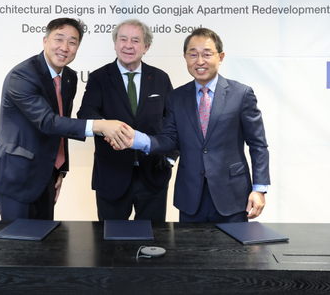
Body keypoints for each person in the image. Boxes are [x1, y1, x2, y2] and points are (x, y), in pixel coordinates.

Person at [113, 27, 270, 223]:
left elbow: (258, 144)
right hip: (190, 196)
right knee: (188, 245)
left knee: (233, 245)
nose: (200, 61)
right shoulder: (176, 97)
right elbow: (170, 140)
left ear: (220, 57)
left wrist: (259, 189)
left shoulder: (241, 94)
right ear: (185, 58)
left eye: (207, 54)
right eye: (193, 55)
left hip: (232, 195)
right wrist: (137, 140)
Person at [0, 17, 133, 221]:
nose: (64, 47)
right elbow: (48, 122)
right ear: (45, 41)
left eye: (72, 42)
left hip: (48, 174)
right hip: (17, 176)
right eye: (59, 39)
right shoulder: (22, 75)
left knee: (46, 238)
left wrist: (60, 169)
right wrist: (100, 125)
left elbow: (61, 126)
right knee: (17, 240)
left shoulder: (69, 77)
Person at [77, 19, 177, 221]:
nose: (128, 45)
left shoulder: (160, 78)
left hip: (153, 175)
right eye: (123, 39)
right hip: (112, 175)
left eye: (135, 40)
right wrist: (105, 126)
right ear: (115, 44)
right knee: (111, 238)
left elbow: (174, 121)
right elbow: (85, 114)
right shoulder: (99, 78)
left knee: (153, 236)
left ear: (146, 47)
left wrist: (170, 158)